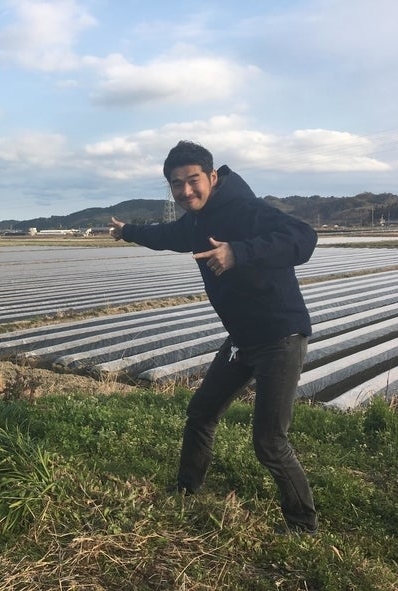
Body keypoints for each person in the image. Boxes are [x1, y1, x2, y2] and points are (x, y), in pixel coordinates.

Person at [109, 140, 319, 534]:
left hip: (280, 336)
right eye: (176, 184)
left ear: (212, 177)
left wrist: (238, 252)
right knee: (201, 413)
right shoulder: (195, 221)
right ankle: (186, 491)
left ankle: (302, 525)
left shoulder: (246, 210)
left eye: (193, 180)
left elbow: (304, 237)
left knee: (269, 442)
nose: (186, 191)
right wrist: (128, 231)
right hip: (242, 339)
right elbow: (167, 234)